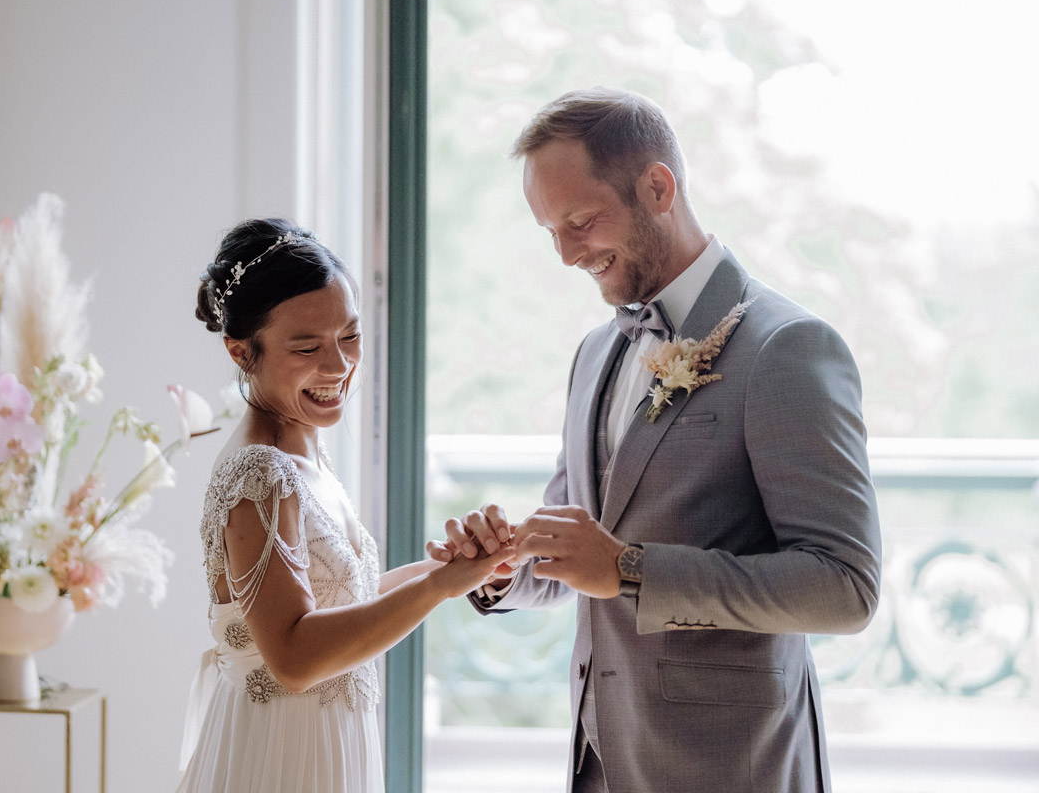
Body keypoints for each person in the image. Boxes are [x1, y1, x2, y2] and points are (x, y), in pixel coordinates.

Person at [432, 88, 882, 792]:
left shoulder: (787, 348)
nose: (567, 255)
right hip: (600, 758)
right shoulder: (592, 353)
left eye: (580, 222)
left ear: (658, 186)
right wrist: (504, 569)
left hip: (733, 765)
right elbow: (580, 550)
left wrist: (632, 569)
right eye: (551, 232)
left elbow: (844, 588)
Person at [177, 217, 505, 793]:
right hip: (281, 758)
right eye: (306, 347)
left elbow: (342, 602)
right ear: (241, 351)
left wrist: (453, 568)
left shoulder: (304, 451)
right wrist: (439, 588)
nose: (338, 367)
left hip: (325, 746)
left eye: (349, 336)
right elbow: (296, 657)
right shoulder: (259, 470)